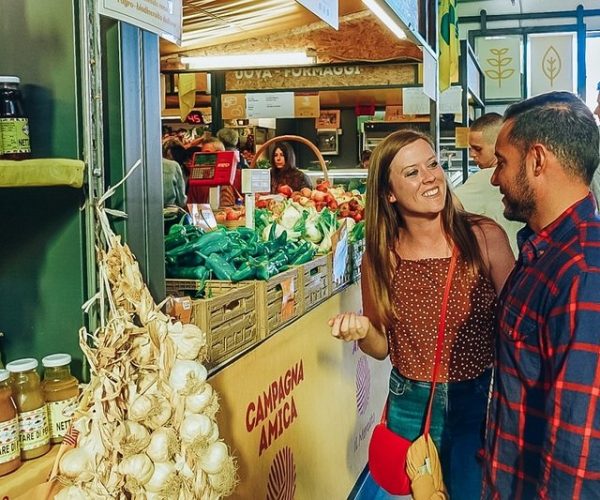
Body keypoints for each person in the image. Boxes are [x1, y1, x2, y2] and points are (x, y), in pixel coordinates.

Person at [329, 130, 514, 499]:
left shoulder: (484, 237)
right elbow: (380, 348)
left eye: (433, 164)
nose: (431, 177)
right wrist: (364, 330)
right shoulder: (381, 256)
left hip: (476, 398)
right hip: (409, 401)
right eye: (412, 172)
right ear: (389, 193)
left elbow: (515, 324)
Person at [483, 91, 600, 499]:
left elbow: (578, 451)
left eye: (502, 162)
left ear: (536, 161)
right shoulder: (541, 251)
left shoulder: (583, 273)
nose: (495, 177)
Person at [455, 113, 523, 256]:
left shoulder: (484, 178)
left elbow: (448, 207)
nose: (472, 154)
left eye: (478, 149)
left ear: (498, 145)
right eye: (470, 148)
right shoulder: (518, 176)